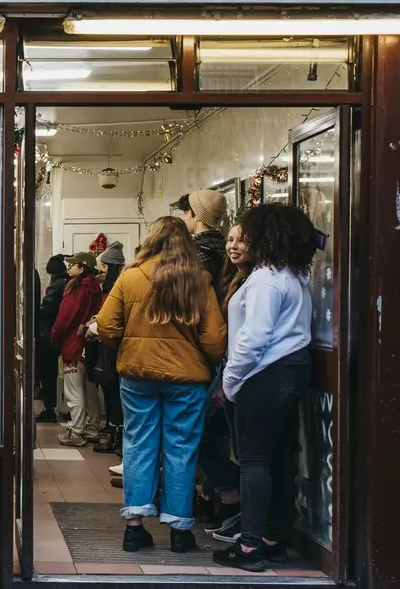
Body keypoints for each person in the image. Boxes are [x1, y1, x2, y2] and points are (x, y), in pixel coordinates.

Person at [96, 216, 227, 555]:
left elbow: (106, 327)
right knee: (181, 449)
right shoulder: (199, 281)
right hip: (187, 380)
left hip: (137, 376)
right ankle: (180, 531)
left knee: (139, 444)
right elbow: (214, 341)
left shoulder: (130, 277)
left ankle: (134, 528)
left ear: (150, 239)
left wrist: (128, 346)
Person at [212, 205, 316, 572]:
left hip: (266, 374)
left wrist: (229, 382)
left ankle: (250, 546)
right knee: (281, 458)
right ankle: (273, 538)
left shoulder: (266, 280)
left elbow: (252, 339)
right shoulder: (291, 274)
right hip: (292, 371)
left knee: (254, 461)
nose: (245, 241)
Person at [200, 223, 250, 543]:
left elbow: (246, 338)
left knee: (205, 432)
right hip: (225, 369)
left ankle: (233, 500)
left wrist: (224, 381)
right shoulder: (231, 277)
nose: (233, 246)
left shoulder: (254, 281)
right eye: (230, 240)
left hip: (235, 373)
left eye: (241, 241)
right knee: (208, 434)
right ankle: (229, 499)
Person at [52, 252, 105, 447]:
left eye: (73, 265)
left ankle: (76, 432)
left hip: (73, 345)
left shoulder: (76, 290)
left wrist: (55, 338)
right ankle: (92, 427)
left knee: (74, 391)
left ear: (81, 269)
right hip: (90, 345)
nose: (69, 267)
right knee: (90, 389)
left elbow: (63, 320)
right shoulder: (96, 290)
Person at [90, 241, 127, 455]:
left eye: (102, 267)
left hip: (114, 348)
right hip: (109, 347)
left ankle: (117, 436)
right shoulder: (107, 288)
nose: (99, 272)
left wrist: (98, 324)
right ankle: (114, 433)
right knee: (110, 391)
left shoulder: (117, 287)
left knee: (114, 394)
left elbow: (114, 320)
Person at [35, 254, 69, 424]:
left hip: (48, 335)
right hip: (54, 335)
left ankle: (50, 409)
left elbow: (47, 309)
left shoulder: (56, 286)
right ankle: (54, 407)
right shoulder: (66, 283)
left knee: (47, 374)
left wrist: (33, 313)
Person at [174, 190, 229, 286]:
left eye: (186, 213)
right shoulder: (227, 247)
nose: (184, 217)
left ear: (196, 214)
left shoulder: (190, 252)